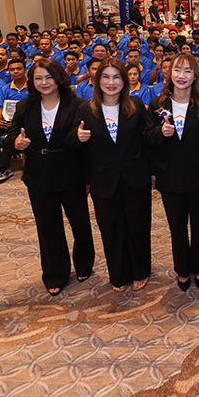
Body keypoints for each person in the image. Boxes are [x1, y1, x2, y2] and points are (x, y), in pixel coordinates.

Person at [6, 58, 94, 296]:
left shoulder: (78, 105)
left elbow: (83, 143)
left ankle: (84, 263)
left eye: (49, 77)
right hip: (39, 173)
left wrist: (87, 176)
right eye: (38, 78)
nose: (44, 82)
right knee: (47, 226)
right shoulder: (25, 106)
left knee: (80, 223)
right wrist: (16, 143)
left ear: (59, 78)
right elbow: (10, 136)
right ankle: (55, 272)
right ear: (31, 81)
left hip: (71, 171)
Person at [70, 58, 152, 293]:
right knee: (110, 228)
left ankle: (140, 270)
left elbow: (147, 141)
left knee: (138, 226)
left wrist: (153, 173)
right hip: (102, 179)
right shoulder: (85, 109)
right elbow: (74, 144)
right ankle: (118, 273)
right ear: (97, 81)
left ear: (124, 81)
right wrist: (77, 137)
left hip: (135, 176)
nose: (111, 82)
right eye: (105, 77)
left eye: (116, 77)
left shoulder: (136, 105)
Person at [147, 53, 199, 291]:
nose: (182, 76)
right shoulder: (157, 104)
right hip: (169, 176)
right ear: (169, 73)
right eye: (177, 70)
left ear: (195, 75)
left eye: (188, 71)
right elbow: (147, 139)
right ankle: (182, 269)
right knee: (176, 226)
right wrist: (160, 133)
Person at [0, 59, 30, 185]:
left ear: (25, 70)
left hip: (26, 122)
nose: (15, 71)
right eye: (12, 69)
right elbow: (1, 107)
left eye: (19, 69)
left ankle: (0, 169)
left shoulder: (33, 86)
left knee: (10, 137)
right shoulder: (5, 88)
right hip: (7, 119)